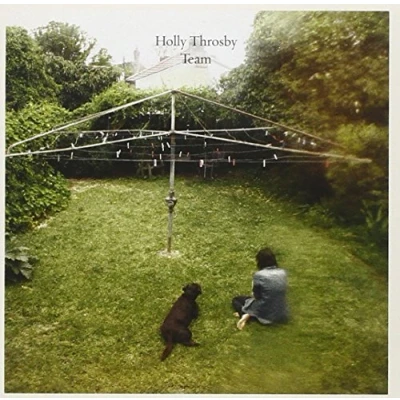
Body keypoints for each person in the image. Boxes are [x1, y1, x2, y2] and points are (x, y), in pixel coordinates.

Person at [232, 247, 289, 330]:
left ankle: (246, 314)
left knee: (236, 300)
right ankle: (250, 314)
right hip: (281, 312)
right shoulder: (283, 273)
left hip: (266, 311)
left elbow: (256, 296)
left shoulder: (259, 275)